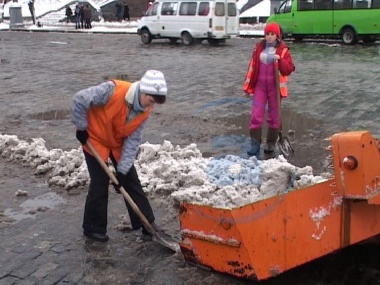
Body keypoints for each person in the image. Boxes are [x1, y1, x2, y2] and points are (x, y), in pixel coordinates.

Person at [70, 70, 167, 242]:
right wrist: (81, 127)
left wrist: (122, 170)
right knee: (99, 182)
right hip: (94, 137)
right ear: (142, 91)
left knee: (130, 179)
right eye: (150, 100)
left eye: (154, 103)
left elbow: (133, 140)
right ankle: (93, 228)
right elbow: (80, 99)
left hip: (117, 142)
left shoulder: (145, 109)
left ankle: (147, 224)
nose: (150, 106)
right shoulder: (112, 90)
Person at [243, 22, 295, 158]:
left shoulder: (283, 50)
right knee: (256, 115)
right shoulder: (258, 48)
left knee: (274, 117)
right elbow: (252, 68)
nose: (269, 37)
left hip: (275, 89)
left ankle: (271, 143)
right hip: (260, 87)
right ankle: (255, 144)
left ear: (277, 36)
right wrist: (248, 87)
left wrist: (281, 61)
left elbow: (289, 69)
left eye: (272, 34)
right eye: (267, 34)